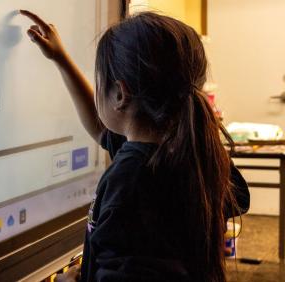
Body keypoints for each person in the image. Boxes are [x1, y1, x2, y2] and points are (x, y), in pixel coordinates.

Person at [20, 10, 250, 282]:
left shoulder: (132, 179)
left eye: (100, 82)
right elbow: (102, 128)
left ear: (119, 94)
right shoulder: (192, 154)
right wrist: (62, 60)